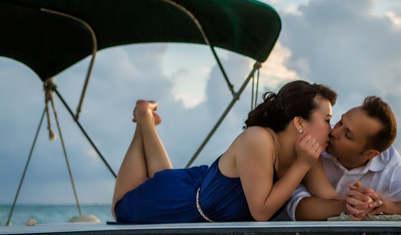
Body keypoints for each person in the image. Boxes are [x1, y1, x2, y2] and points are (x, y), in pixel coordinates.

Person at [112, 81, 340, 223]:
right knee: (120, 208)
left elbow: (330, 199)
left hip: (195, 183)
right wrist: (301, 165)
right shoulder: (259, 139)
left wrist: (359, 205)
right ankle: (143, 119)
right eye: (327, 120)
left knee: (163, 177)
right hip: (181, 203)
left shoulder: (308, 153)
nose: (331, 128)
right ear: (299, 122)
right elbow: (261, 212)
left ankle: (147, 121)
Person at [282, 95, 401, 221]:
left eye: (347, 135)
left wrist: (388, 206)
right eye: (340, 122)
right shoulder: (316, 140)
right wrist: (348, 205)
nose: (334, 132)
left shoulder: (389, 165)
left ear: (370, 154)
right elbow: (298, 208)